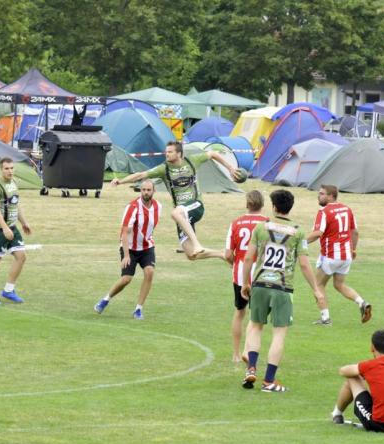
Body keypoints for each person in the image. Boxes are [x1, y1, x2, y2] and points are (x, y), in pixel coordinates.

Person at [240, 189, 325, 392]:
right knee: (279, 334)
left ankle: (251, 367)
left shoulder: (261, 228)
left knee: (254, 326)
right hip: (283, 287)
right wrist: (316, 289)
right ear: (290, 207)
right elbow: (304, 265)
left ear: (274, 207)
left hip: (260, 284)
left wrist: (245, 282)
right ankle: (269, 380)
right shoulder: (298, 232)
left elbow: (248, 258)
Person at [111, 141, 243, 260]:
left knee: (175, 213)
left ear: (179, 153)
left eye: (170, 152)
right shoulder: (164, 168)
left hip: (195, 205)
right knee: (191, 255)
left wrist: (230, 168)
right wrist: (121, 181)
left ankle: (197, 243)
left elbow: (213, 153)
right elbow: (141, 175)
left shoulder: (192, 161)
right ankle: (222, 254)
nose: (166, 154)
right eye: (166, 151)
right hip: (182, 214)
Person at [94, 179, 162, 320]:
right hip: (129, 248)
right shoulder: (132, 207)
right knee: (126, 279)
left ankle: (138, 309)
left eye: (149, 190)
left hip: (147, 247)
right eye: (143, 190)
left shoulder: (158, 207)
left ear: (154, 191)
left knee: (149, 272)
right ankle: (105, 299)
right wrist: (126, 255)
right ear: (140, 191)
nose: (146, 192)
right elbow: (125, 232)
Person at [306, 185, 371, 326]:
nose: (319, 196)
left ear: (331, 196)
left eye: (322, 194)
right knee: (339, 285)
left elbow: (318, 233)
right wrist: (353, 249)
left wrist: (302, 242)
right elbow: (355, 232)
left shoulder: (324, 211)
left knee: (318, 285)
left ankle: (325, 319)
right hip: (346, 256)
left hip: (330, 256)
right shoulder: (347, 209)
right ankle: (362, 302)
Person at [331, 329, 384, 433]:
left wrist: (362, 374)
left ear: (372, 348)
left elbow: (343, 371)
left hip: (381, 425)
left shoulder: (370, 365)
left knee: (352, 378)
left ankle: (336, 414)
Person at [224, 190, 269, 362]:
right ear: (262, 204)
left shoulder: (236, 223)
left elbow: (228, 253)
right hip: (260, 274)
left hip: (240, 274)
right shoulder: (267, 223)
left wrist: (234, 264)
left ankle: (235, 354)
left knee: (239, 312)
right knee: (256, 316)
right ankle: (247, 349)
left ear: (247, 203)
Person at [0, 158, 32, 305]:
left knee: (21, 257)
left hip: (12, 227)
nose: (10, 171)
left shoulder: (14, 183)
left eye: (11, 168)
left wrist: (24, 222)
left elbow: (16, 204)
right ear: (1, 169)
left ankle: (8, 290)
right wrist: (4, 228)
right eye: (6, 168)